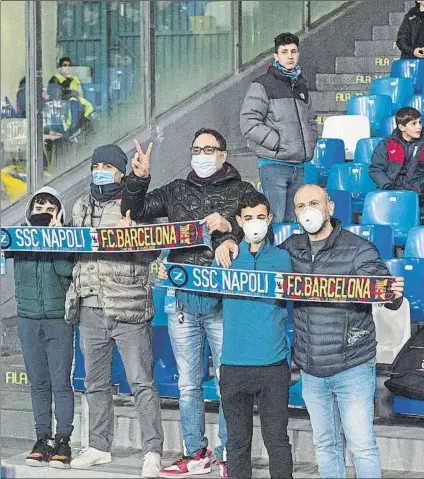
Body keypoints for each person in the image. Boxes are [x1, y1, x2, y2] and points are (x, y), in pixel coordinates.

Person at [214, 184, 405, 479]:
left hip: (351, 364)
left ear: (329, 207)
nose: (307, 211)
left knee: (362, 445)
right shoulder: (291, 249)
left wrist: (391, 293)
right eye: (300, 206)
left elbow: (380, 288)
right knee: (325, 444)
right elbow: (256, 247)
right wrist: (228, 240)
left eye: (313, 203)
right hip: (311, 368)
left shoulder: (358, 248)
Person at [121, 128, 257, 477]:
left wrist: (231, 227)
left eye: (209, 149)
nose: (202, 154)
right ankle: (194, 451)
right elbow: (133, 209)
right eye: (196, 148)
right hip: (182, 299)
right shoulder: (176, 190)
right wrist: (138, 178)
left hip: (224, 299)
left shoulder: (243, 192)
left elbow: (259, 226)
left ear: (224, 155)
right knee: (188, 384)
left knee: (229, 380)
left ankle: (229, 454)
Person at [157, 191, 293, 479]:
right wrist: (174, 280)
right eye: (248, 218)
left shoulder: (284, 259)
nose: (255, 223)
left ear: (269, 219)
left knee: (277, 442)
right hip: (233, 367)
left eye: (260, 217)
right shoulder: (226, 257)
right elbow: (205, 304)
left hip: (273, 366)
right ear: (239, 222)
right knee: (237, 445)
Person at [65, 144, 164, 478]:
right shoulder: (79, 205)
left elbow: (152, 255)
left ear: (122, 171)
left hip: (129, 308)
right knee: (95, 384)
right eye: (97, 165)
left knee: (141, 383)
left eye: (108, 165)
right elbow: (72, 254)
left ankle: (152, 451)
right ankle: (98, 445)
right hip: (90, 306)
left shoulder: (135, 206)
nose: (100, 170)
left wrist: (135, 237)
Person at [8, 186, 74, 468]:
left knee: (61, 382)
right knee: (38, 383)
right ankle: (42, 438)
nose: (43, 213)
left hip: (58, 319)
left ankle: (63, 440)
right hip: (27, 320)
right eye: (39, 208)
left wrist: (58, 239)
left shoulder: (68, 237)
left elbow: (66, 272)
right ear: (29, 211)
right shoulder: (18, 237)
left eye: (50, 209)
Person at [240, 32, 317, 223]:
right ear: (276, 56)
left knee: (294, 223)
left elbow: (312, 120)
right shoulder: (262, 85)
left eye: (293, 51)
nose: (289, 56)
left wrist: (310, 142)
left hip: (298, 166)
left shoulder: (301, 87)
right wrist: (277, 143)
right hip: (274, 165)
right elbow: (248, 122)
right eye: (284, 52)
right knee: (276, 221)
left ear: (298, 54)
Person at [369, 107, 424, 207]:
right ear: (402, 127)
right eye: (414, 123)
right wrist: (387, 185)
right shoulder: (387, 144)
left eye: (420, 122)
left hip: (418, 194)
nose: (419, 127)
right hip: (391, 193)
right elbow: (376, 169)